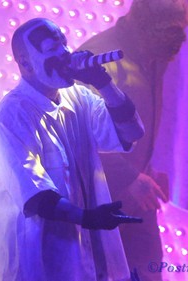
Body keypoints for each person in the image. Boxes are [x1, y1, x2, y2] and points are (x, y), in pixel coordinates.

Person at [0, 18, 145, 281]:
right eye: (51, 49)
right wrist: (88, 217)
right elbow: (37, 197)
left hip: (87, 262)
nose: (63, 54)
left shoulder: (78, 98)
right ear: (25, 64)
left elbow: (131, 133)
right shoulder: (10, 116)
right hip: (40, 262)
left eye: (63, 44)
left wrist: (104, 84)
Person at [77, 0, 187, 280]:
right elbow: (78, 134)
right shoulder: (97, 57)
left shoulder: (155, 51)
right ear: (147, 25)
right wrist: (129, 178)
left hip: (135, 198)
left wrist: (145, 168)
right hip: (97, 202)